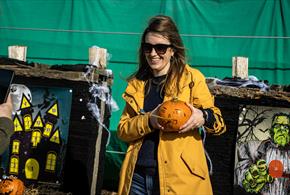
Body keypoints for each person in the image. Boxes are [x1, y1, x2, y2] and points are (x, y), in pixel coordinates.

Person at [117, 15, 226, 195]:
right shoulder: (138, 84)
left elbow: (219, 123)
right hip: (137, 178)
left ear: (172, 50)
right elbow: (123, 130)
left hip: (179, 179)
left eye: (160, 48)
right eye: (148, 47)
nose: (153, 53)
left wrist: (203, 116)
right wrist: (148, 121)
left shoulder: (191, 78)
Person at [235, 112, 290, 195]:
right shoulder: (253, 148)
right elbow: (240, 174)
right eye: (277, 126)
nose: (281, 129)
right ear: (271, 131)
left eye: (286, 127)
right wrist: (247, 177)